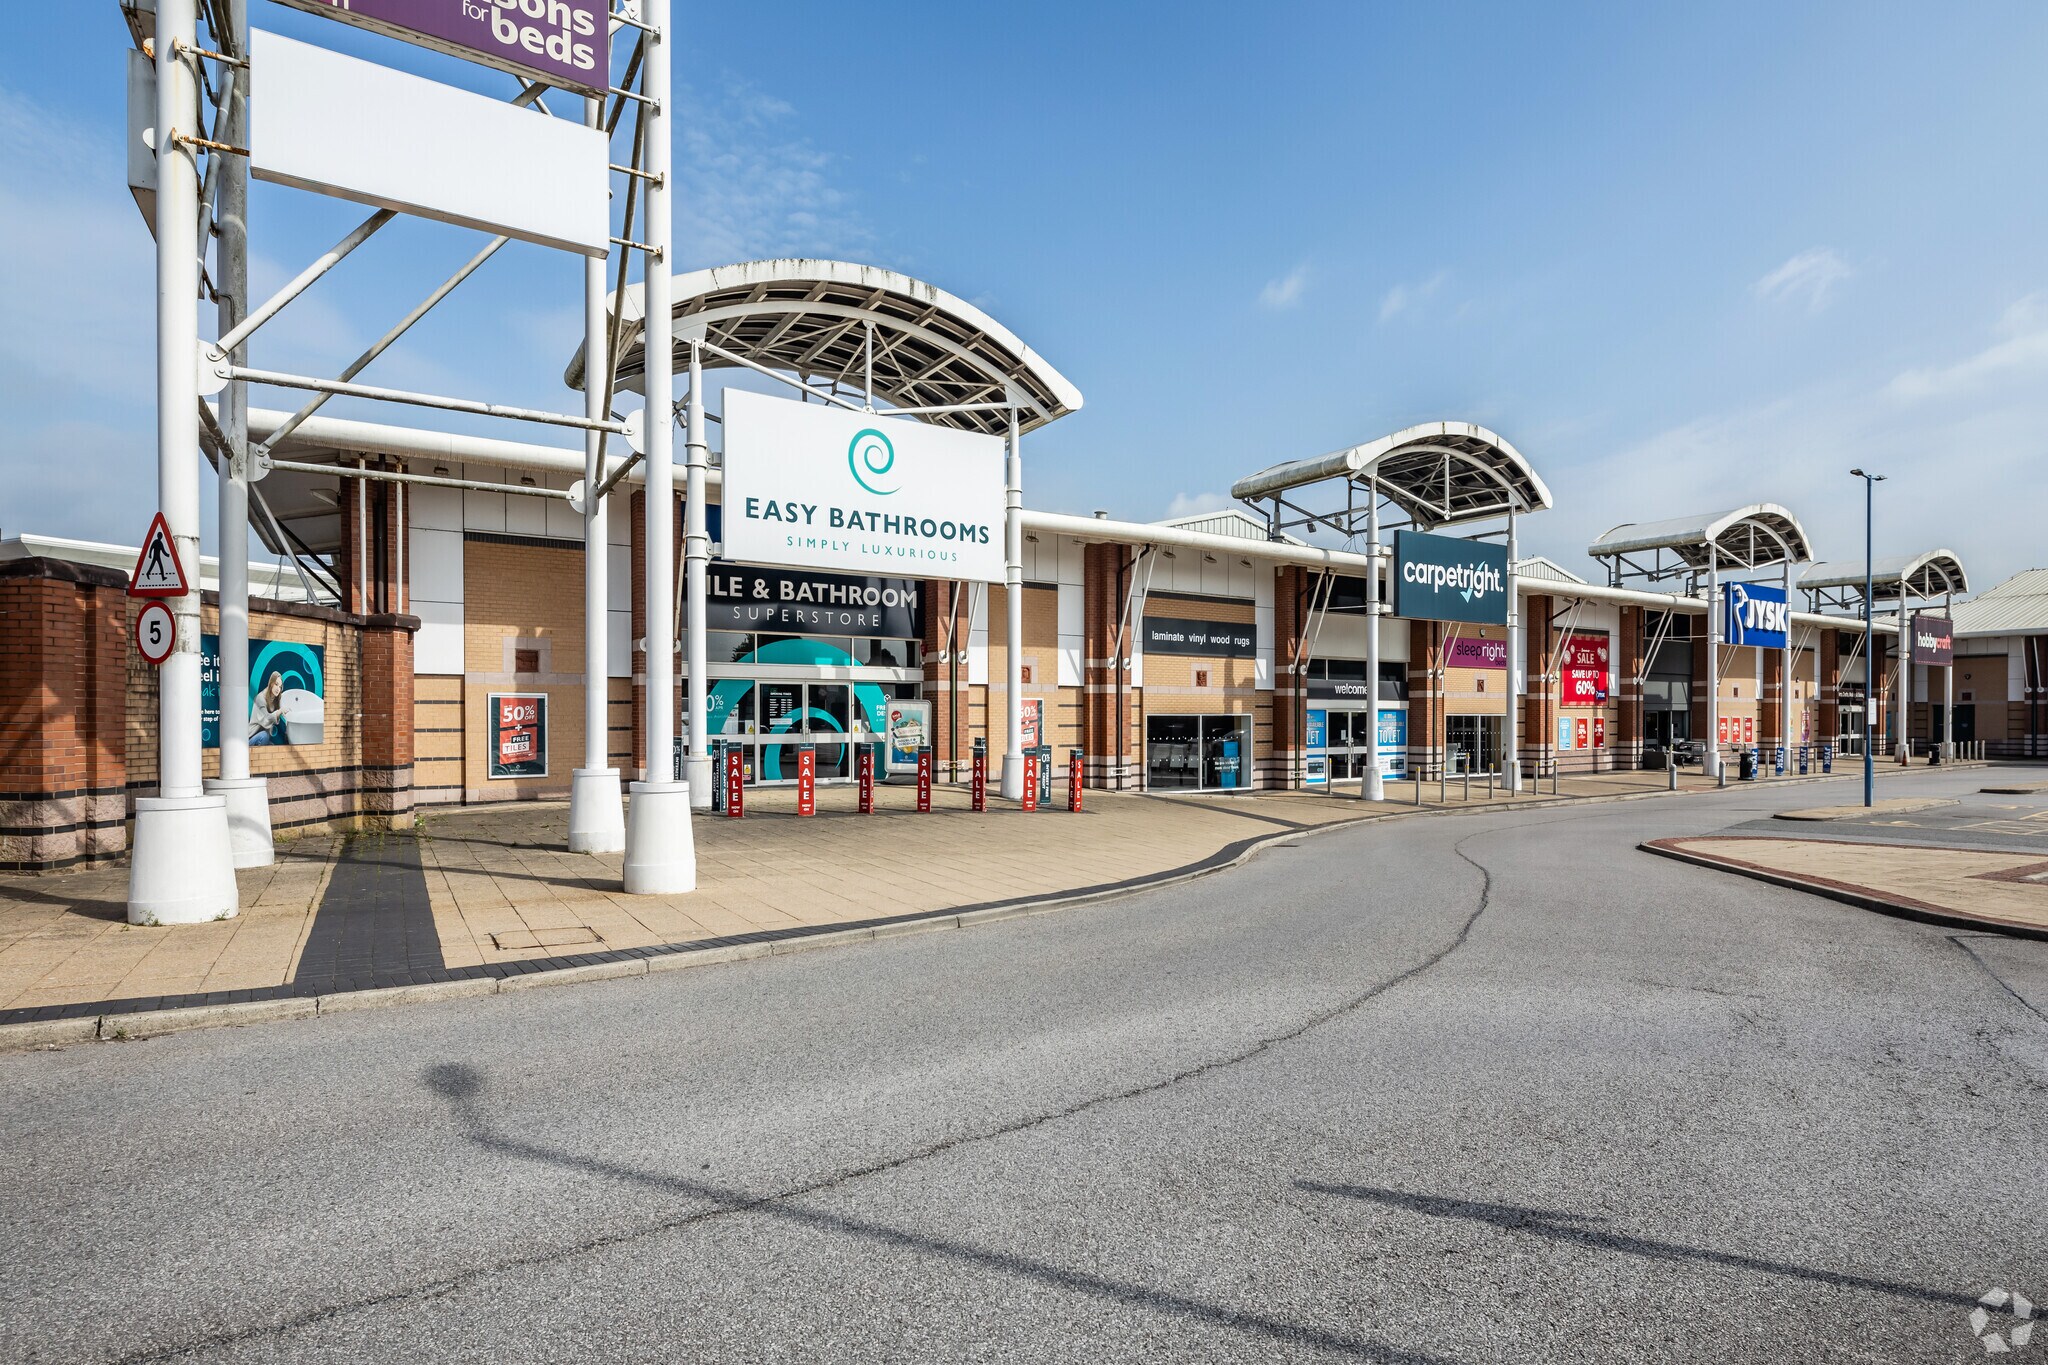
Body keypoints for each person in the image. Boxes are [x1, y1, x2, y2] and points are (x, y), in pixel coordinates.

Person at [248, 671, 286, 746]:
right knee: (264, 735)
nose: (278, 689)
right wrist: (279, 711)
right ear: (271, 683)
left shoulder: (274, 699)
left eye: (280, 687)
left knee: (272, 747)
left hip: (261, 737)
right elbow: (266, 719)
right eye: (276, 684)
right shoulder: (260, 698)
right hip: (250, 739)